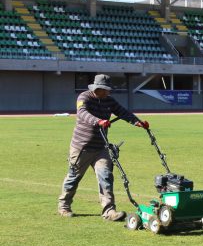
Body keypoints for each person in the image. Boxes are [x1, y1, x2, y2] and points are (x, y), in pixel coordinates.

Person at [57, 74, 150, 220]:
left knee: (106, 176)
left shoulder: (108, 100)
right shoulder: (84, 97)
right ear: (97, 88)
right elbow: (82, 114)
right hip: (82, 147)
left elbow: (122, 112)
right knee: (74, 177)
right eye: (105, 89)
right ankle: (64, 206)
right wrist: (98, 121)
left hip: (101, 147)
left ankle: (109, 211)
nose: (108, 92)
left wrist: (137, 122)